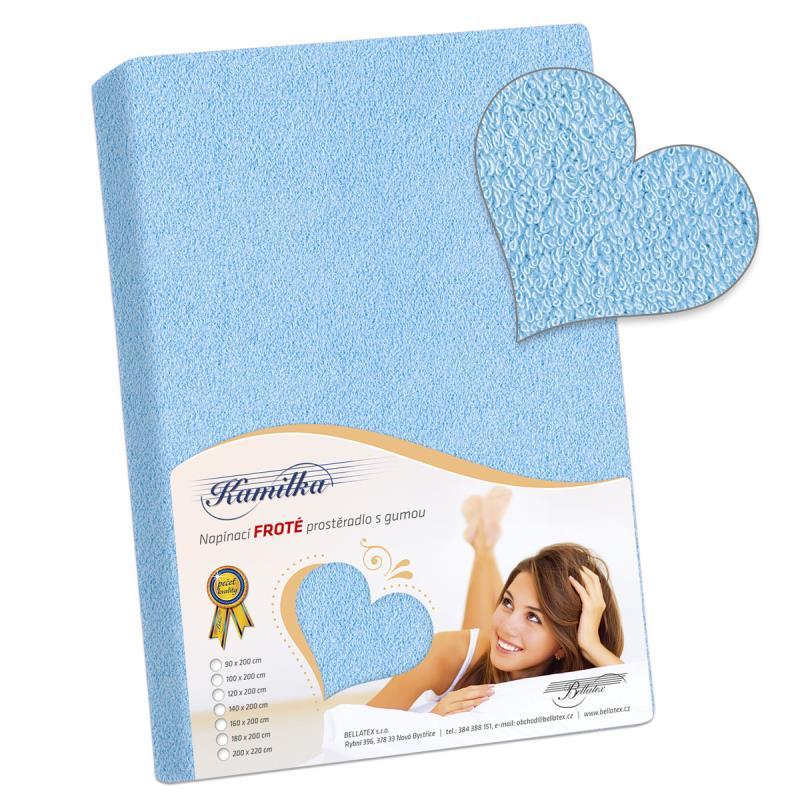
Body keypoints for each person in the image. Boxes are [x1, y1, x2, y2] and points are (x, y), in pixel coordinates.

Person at [367, 487, 624, 715]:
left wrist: (591, 644)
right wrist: (431, 723)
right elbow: (361, 728)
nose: (506, 625)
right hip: (466, 658)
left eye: (534, 617)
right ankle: (484, 546)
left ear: (564, 645)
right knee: (478, 643)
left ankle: (484, 543)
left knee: (492, 641)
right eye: (507, 602)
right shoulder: (443, 652)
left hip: (501, 658)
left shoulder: (576, 681)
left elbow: (633, 696)